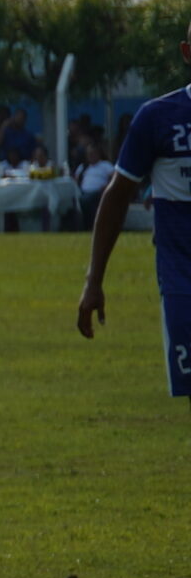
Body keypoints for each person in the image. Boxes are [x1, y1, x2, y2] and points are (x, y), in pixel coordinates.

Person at [77, 22, 191, 399]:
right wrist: (94, 281)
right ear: (187, 53)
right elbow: (116, 197)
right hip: (183, 282)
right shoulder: (158, 117)